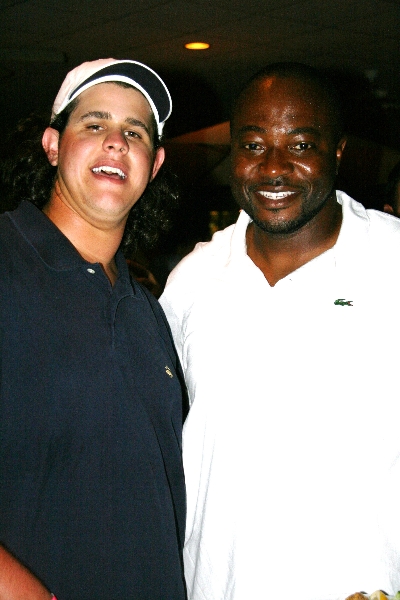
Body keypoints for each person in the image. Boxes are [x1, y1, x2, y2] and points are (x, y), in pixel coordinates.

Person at [160, 62, 400, 600]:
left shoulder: (392, 262)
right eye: (252, 145)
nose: (273, 167)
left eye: (300, 145)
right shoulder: (192, 280)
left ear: (337, 152)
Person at [0, 58, 187, 600]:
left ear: (154, 165)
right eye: (94, 123)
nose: (115, 142)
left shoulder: (146, 310)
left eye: (135, 132)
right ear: (52, 146)